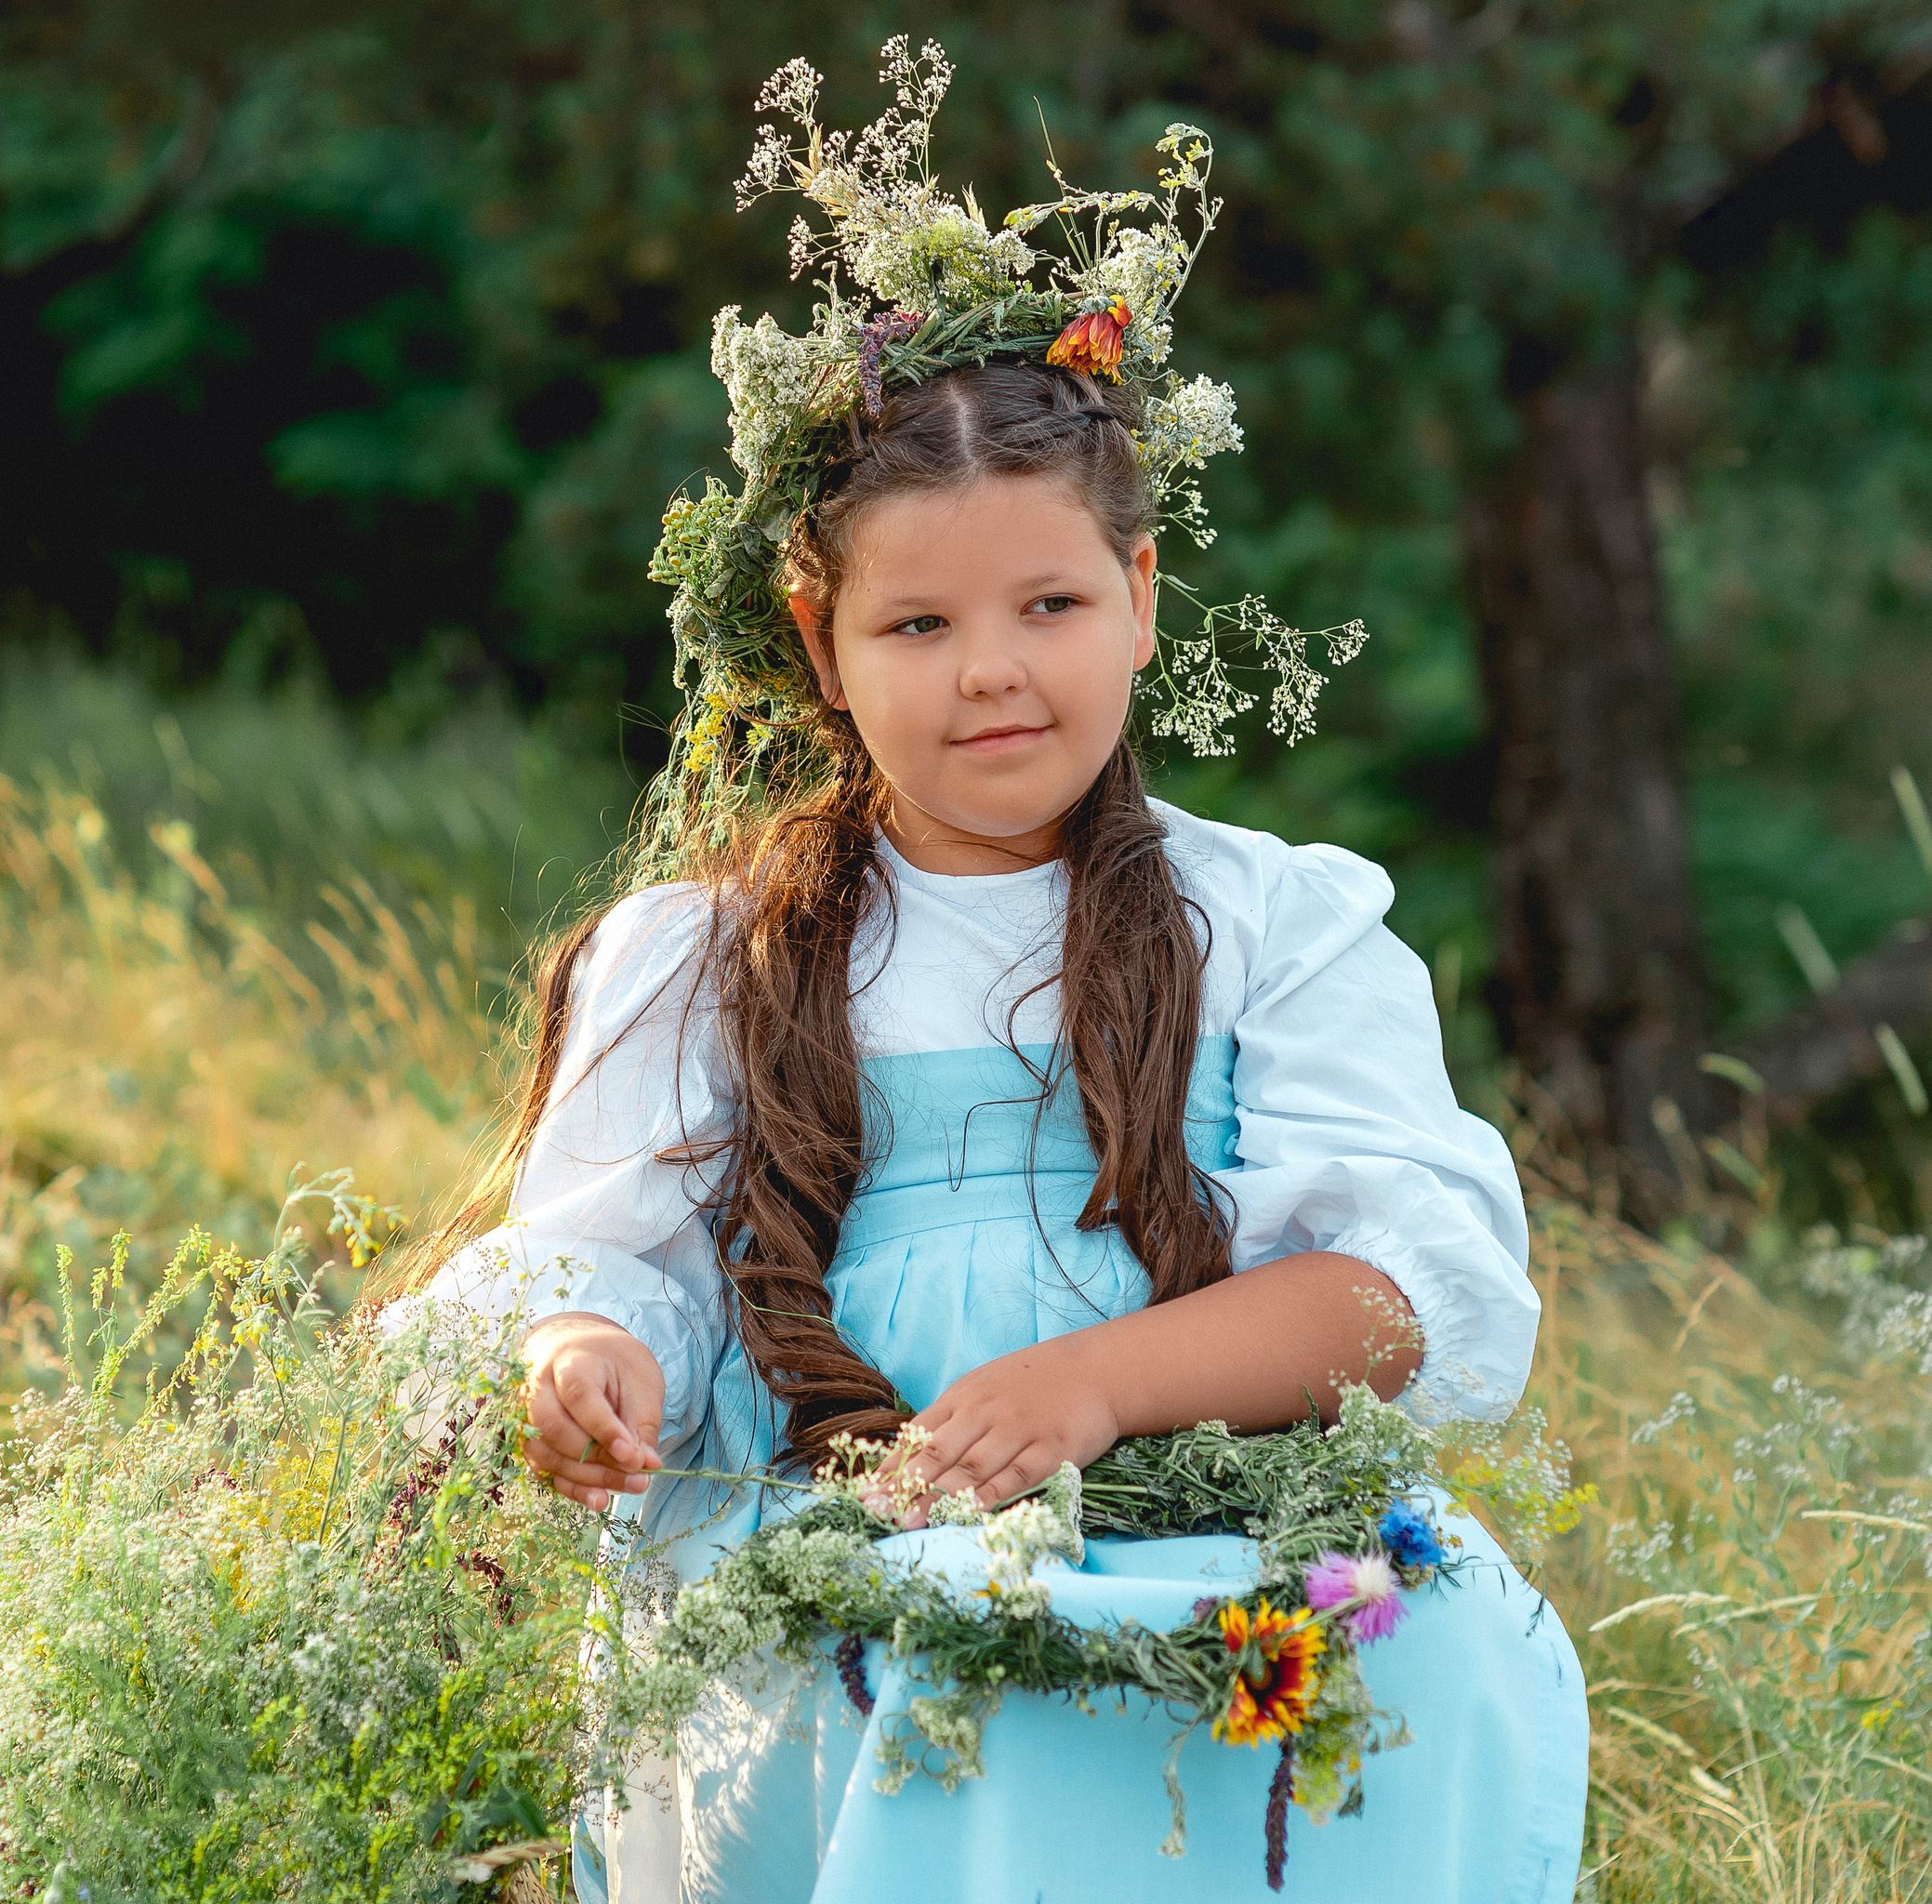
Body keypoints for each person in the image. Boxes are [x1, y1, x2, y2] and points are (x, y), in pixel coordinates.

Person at [409, 47, 1586, 1903]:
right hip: (839, 1522)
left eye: (1048, 606)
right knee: (930, 1649)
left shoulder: (1272, 919)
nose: (991, 672)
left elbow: (1399, 1294)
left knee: (1405, 1651)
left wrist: (1101, 1385)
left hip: (1208, 1527)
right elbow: (610, 1254)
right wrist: (584, 1357)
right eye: (917, 623)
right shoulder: (702, 955)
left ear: (1135, 591)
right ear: (818, 637)